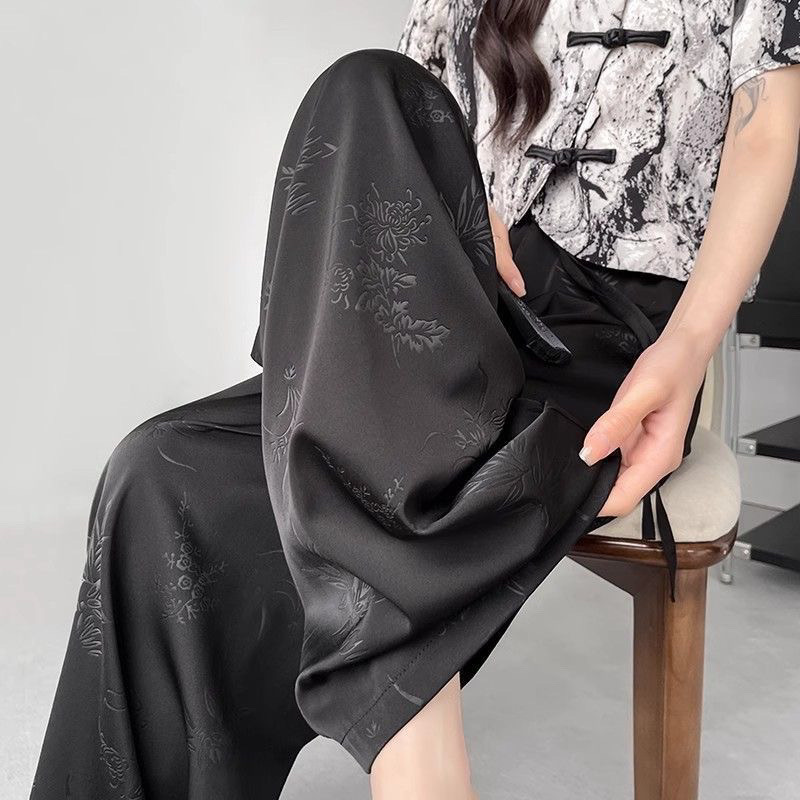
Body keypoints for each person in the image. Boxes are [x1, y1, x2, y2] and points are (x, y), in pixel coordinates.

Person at [31, 2, 800, 799]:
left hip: (620, 332)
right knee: (158, 471)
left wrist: (688, 348)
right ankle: (417, 725)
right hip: (469, 306)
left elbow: (766, 130)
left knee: (361, 87)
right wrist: (468, 216)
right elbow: (397, 138)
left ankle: (414, 742)